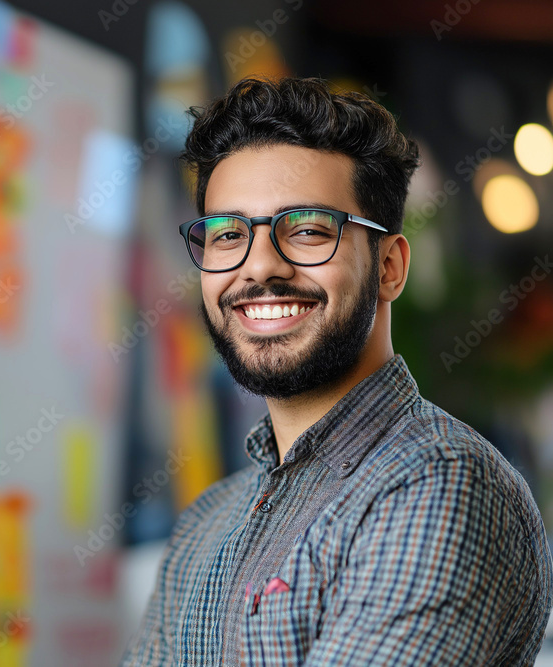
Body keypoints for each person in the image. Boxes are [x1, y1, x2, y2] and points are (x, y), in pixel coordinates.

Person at [121, 76, 553, 666]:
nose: (259, 267)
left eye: (306, 230)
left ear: (390, 268)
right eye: (228, 235)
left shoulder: (438, 485)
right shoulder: (207, 522)